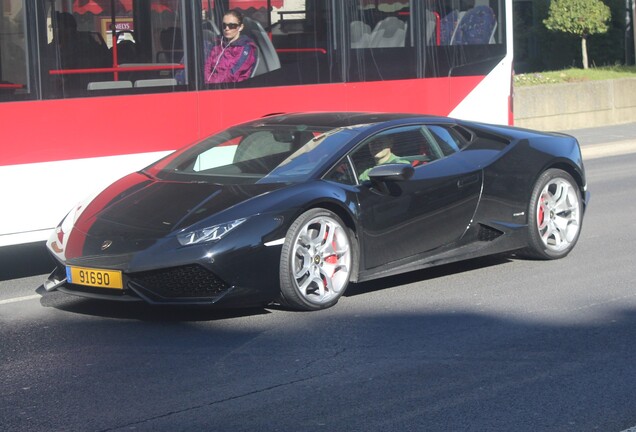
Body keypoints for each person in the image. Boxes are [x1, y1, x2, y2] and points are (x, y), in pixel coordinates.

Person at [204, 10, 257, 84]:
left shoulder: (246, 48)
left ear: (240, 27)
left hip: (233, 89)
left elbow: (232, 74)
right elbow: (207, 65)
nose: (227, 28)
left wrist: (210, 83)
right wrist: (206, 81)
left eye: (232, 26)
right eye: (224, 25)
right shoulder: (218, 44)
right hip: (211, 87)